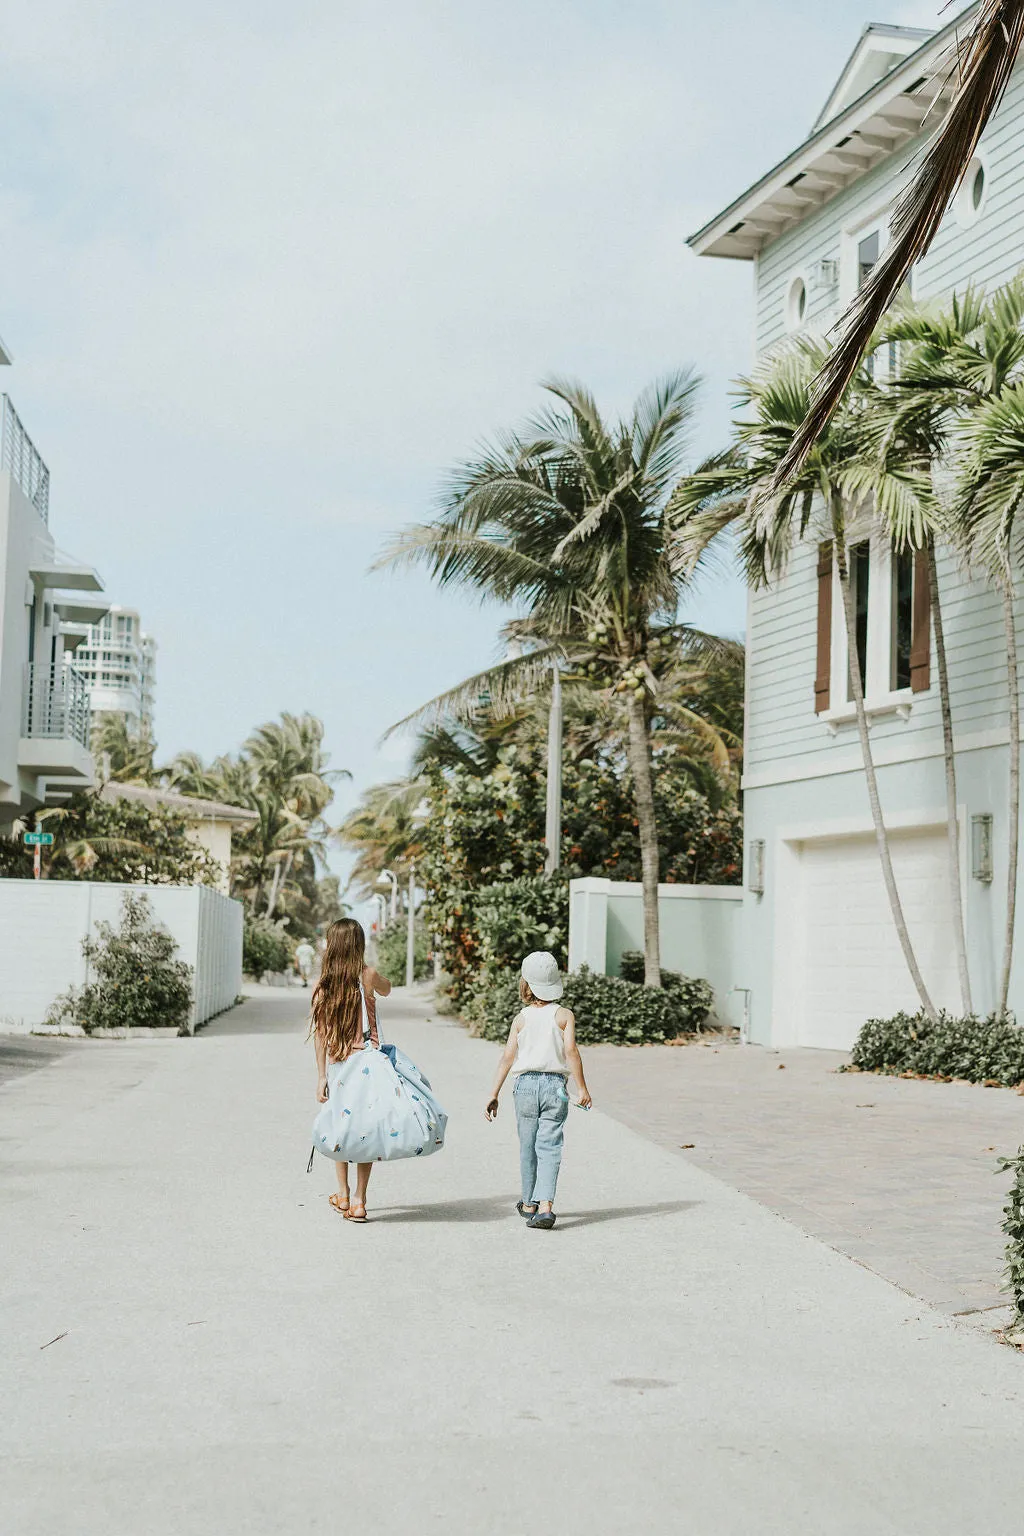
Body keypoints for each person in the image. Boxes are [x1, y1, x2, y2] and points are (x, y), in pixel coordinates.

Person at [484, 950, 592, 1231]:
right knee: (550, 1146)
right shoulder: (564, 1015)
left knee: (527, 1146)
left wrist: (493, 1093)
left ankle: (528, 1203)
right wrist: (582, 1088)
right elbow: (571, 1052)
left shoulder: (520, 1018)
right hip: (555, 1087)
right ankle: (545, 1206)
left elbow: (508, 1057)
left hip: (525, 1088)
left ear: (526, 985)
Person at [310, 918, 391, 1223]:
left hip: (339, 1066)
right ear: (358, 945)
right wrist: (366, 972)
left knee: (340, 1128)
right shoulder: (367, 976)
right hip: (368, 1065)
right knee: (365, 1131)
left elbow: (320, 1035)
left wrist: (321, 1076)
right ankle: (359, 1200)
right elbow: (389, 989)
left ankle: (342, 1193)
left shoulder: (324, 985)